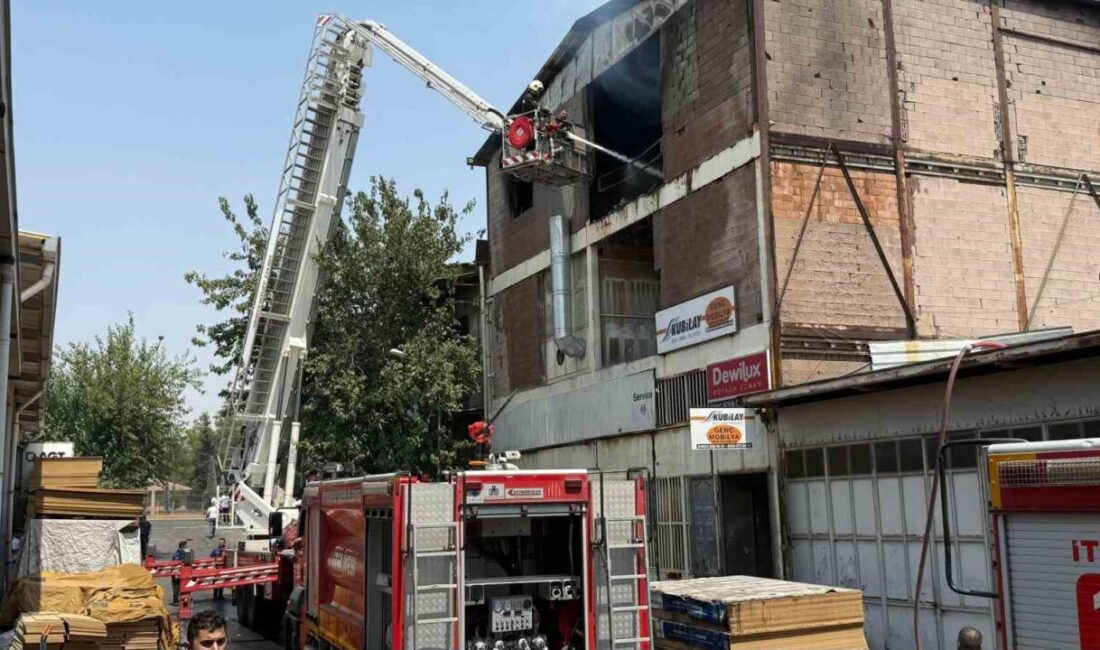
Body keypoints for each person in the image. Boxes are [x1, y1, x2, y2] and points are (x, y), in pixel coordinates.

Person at [171, 541, 189, 605]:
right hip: (176, 573)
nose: (187, 547)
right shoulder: (177, 554)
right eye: (186, 546)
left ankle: (181, 599)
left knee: (181, 586)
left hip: (182, 572)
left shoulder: (182, 553)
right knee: (176, 586)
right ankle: (175, 600)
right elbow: (175, 564)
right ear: (182, 546)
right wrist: (176, 574)